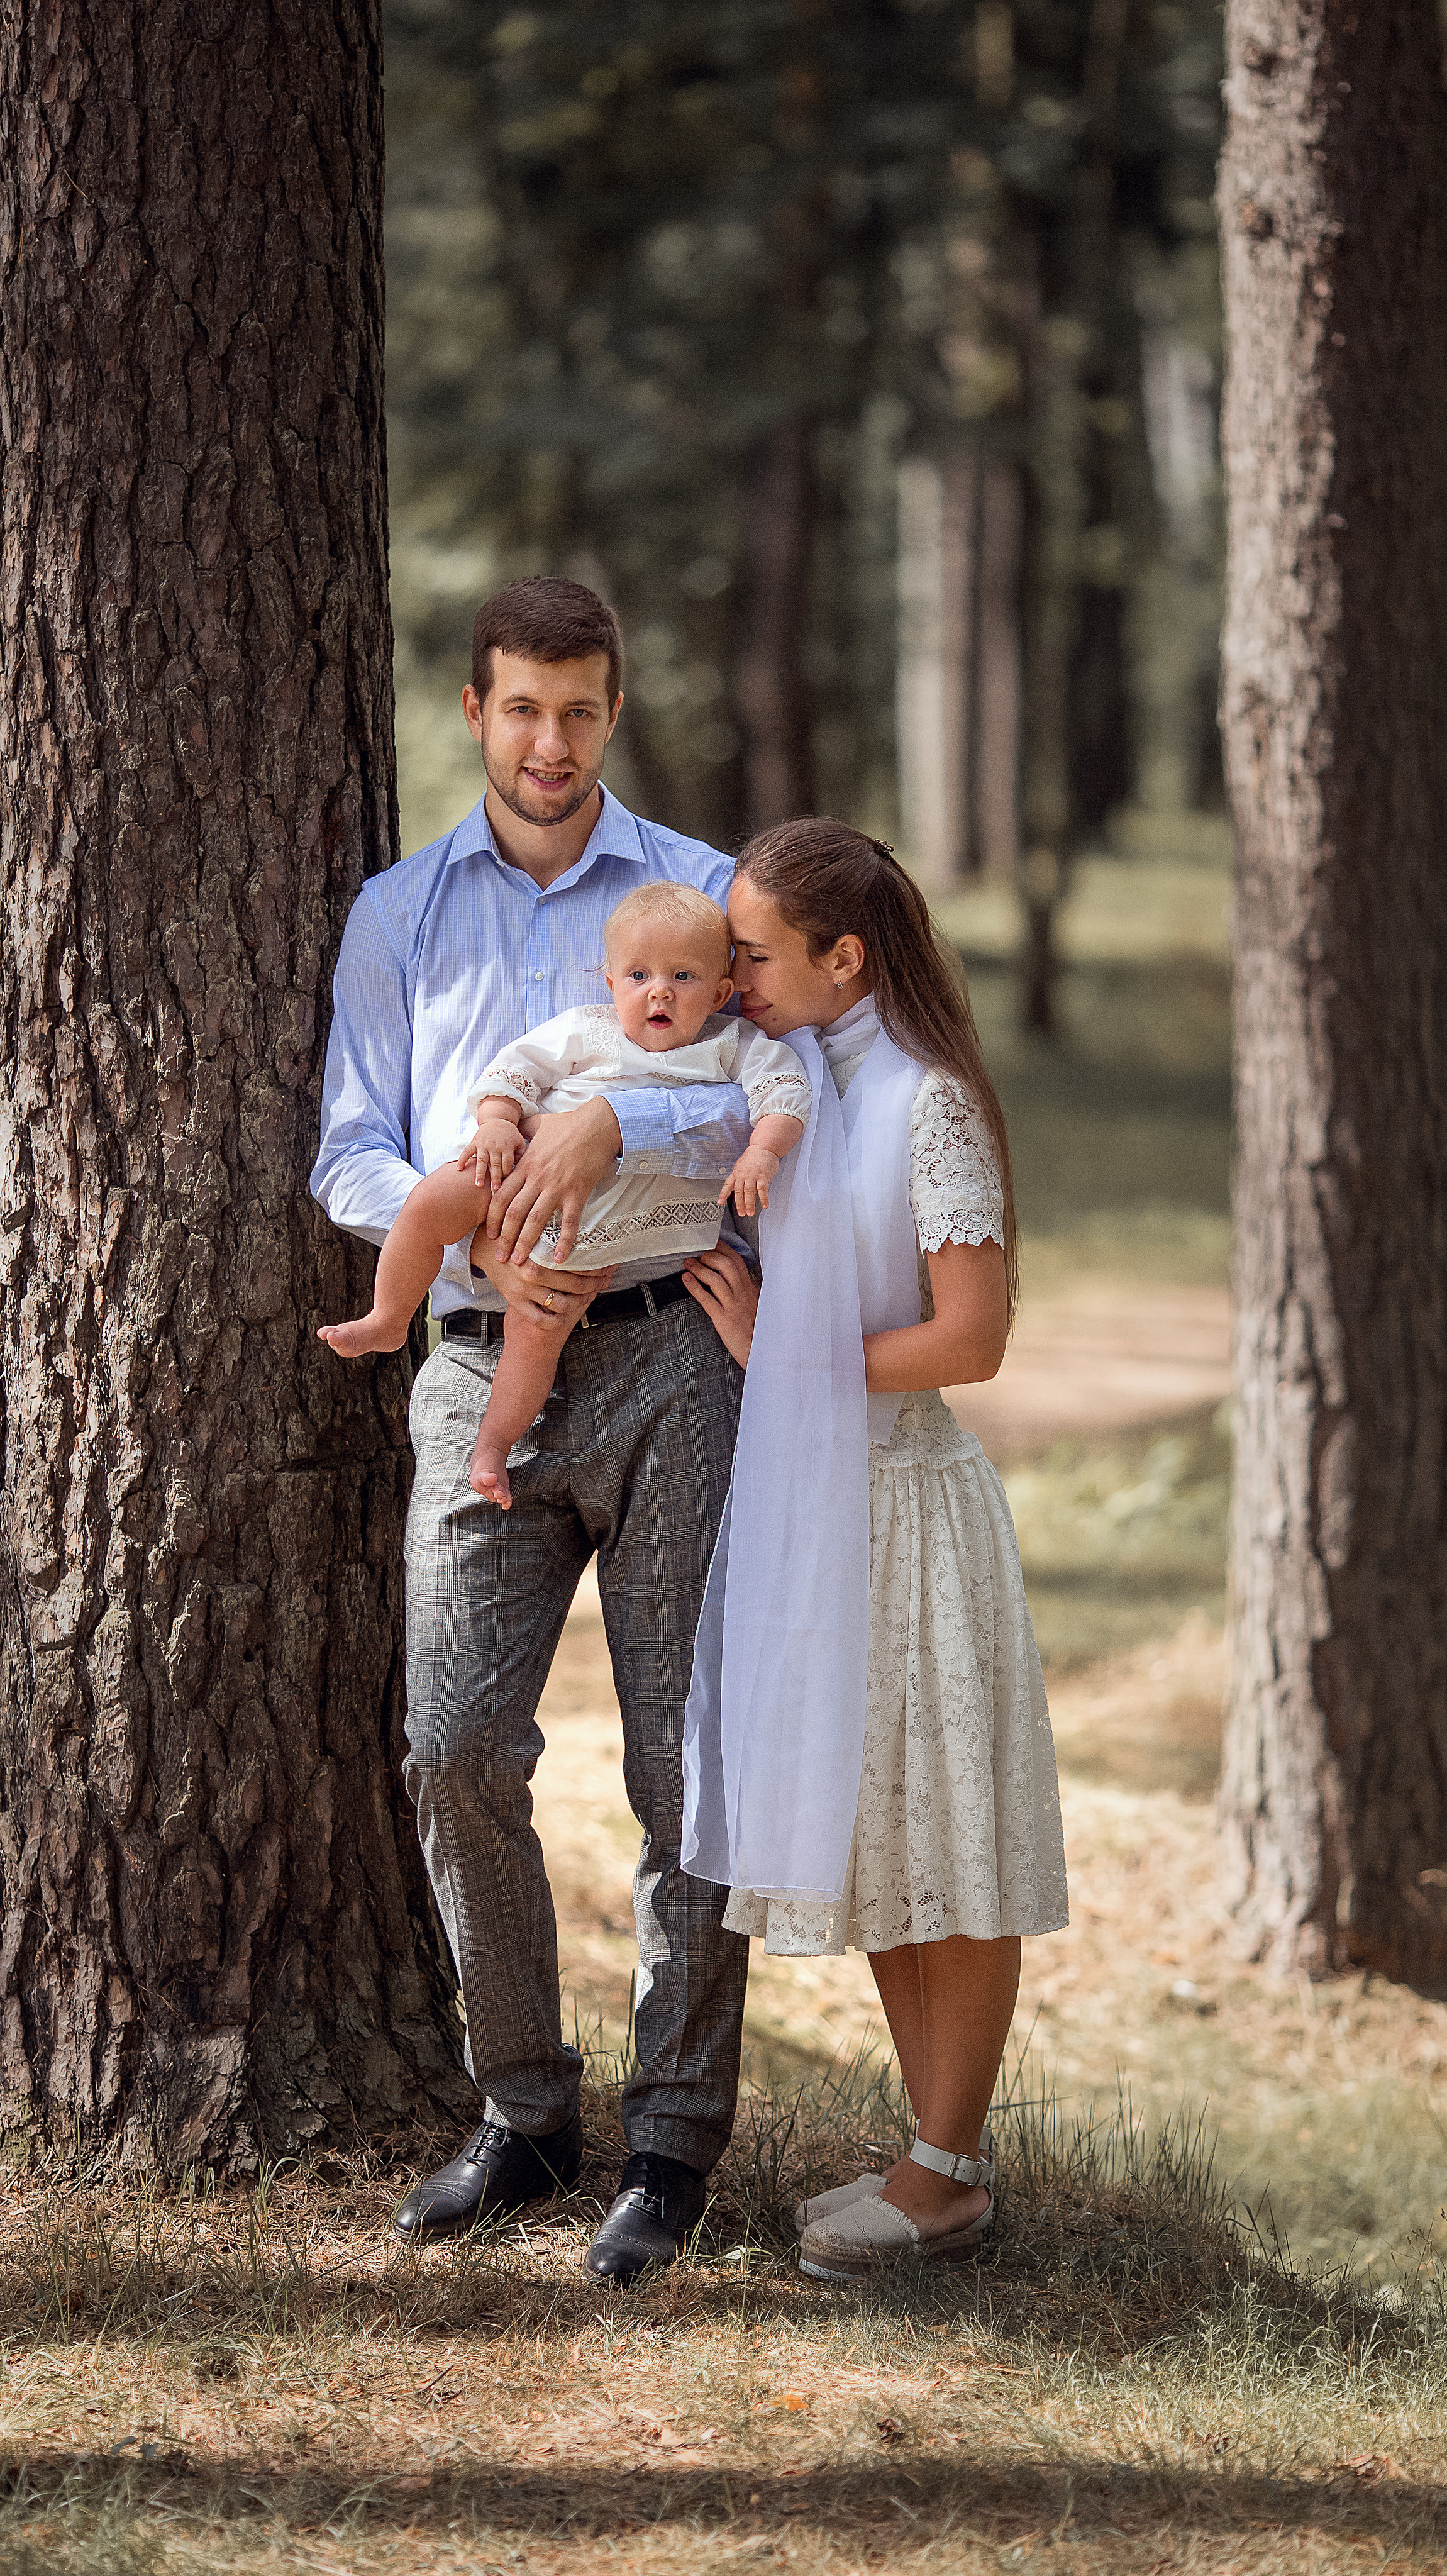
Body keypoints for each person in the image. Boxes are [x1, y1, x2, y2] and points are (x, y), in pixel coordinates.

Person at [311, 575, 760, 2283]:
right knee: (451, 1744)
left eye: (577, 710)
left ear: (611, 711)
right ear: (475, 712)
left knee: (681, 1762)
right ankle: (522, 2109)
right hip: (474, 1361)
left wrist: (619, 1131)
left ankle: (670, 2141)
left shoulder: (703, 893)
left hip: (669, 1358)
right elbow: (348, 1144)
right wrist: (468, 1227)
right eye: (520, 708)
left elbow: (773, 1093)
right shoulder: (399, 913)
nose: (549, 742)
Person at [680, 817, 1069, 2282]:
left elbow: (971, 1337)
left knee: (944, 1838)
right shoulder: (796, 1083)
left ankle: (947, 2172)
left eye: (753, 955)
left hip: (907, 1509)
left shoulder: (924, 1100)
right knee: (884, 1838)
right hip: (817, 1509)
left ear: (844, 958)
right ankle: (930, 2154)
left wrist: (782, 1350)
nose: (732, 979)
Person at [317, 880, 809, 1509]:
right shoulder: (588, 1031)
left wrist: (764, 1149)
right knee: (430, 1203)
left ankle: (492, 1446)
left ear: (719, 992)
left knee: (534, 1336)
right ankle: (389, 1318)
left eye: (683, 976)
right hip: (517, 1179)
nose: (659, 991)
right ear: (611, 984)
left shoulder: (732, 1045)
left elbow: (785, 1092)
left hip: (600, 1250)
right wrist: (497, 1121)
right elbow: (513, 1071)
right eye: (639, 975)